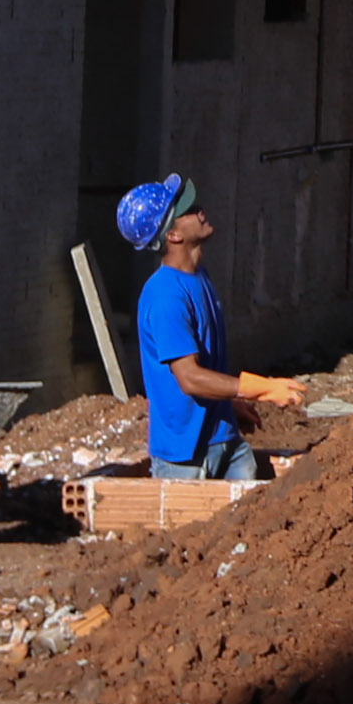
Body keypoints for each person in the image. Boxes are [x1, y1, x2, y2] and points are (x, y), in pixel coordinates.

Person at [115, 176, 307, 480]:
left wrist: (229, 404)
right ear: (174, 235)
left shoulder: (197, 277)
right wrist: (264, 389)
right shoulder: (166, 296)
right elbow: (189, 378)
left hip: (225, 440)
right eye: (189, 209)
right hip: (186, 458)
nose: (200, 210)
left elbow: (203, 364)